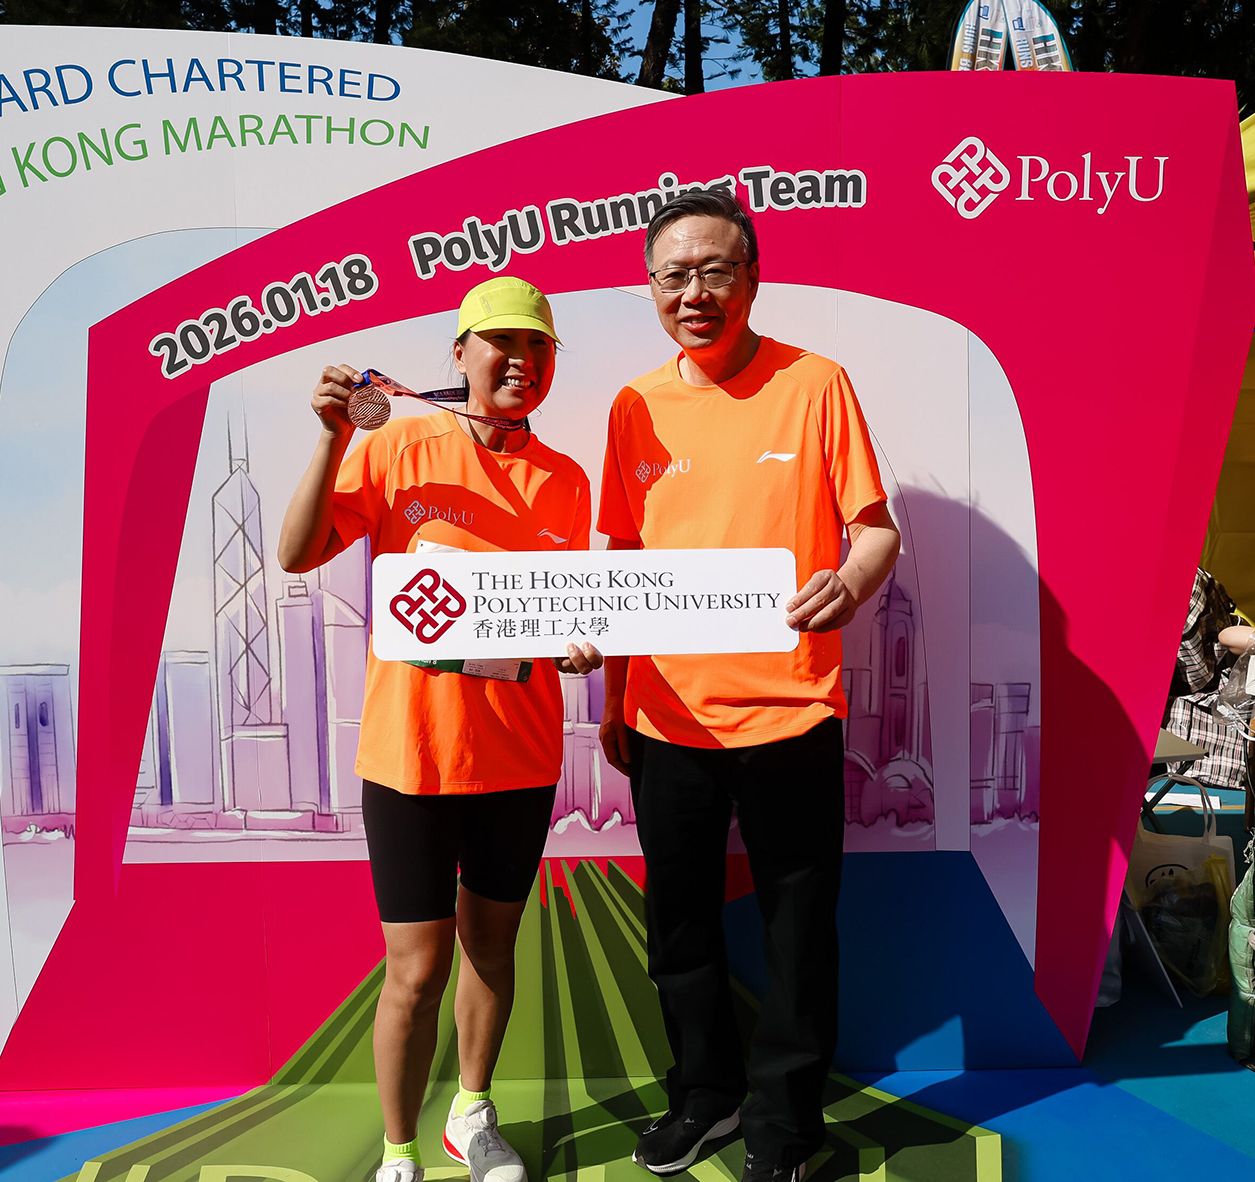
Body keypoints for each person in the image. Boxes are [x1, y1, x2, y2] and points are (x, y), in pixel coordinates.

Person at [597, 190, 901, 1181]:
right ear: (650, 290)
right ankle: (704, 1100)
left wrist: (850, 582)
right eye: (674, 275)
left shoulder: (815, 384)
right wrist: (611, 701)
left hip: (790, 711)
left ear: (751, 279)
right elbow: (624, 561)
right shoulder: (633, 406)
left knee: (797, 934)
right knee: (677, 930)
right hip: (665, 718)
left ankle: (786, 1130)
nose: (695, 291)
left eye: (714, 270)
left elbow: (875, 528)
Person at [278, 277, 600, 1182]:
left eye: (538, 348)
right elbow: (298, 553)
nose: (520, 362)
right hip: (411, 759)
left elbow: (555, 615)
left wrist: (578, 647)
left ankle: (471, 1113)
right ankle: (398, 1150)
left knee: (492, 948)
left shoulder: (567, 479)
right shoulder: (399, 442)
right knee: (414, 973)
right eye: (501, 342)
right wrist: (332, 435)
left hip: (520, 756)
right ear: (459, 354)